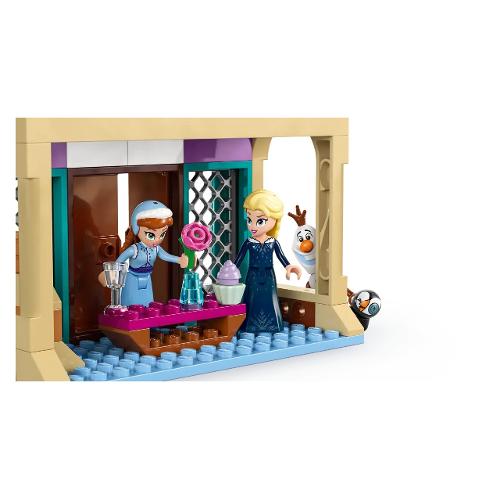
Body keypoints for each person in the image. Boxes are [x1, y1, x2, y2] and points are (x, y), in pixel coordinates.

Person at [234, 189, 302, 333]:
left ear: (274, 220)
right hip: (253, 275)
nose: (252, 226)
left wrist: (289, 266)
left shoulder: (272, 242)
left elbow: (281, 257)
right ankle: (249, 325)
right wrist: (229, 272)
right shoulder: (249, 242)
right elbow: (238, 260)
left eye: (260, 221)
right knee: (252, 298)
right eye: (249, 220)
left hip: (268, 275)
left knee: (270, 298)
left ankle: (272, 325)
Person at [98, 200, 188, 306]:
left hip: (147, 278)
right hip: (132, 279)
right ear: (137, 229)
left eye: (162, 234)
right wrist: (109, 273)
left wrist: (180, 260)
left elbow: (165, 256)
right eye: (151, 235)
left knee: (147, 304)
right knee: (131, 305)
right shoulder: (134, 250)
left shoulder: (156, 249)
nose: (157, 240)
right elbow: (119, 262)